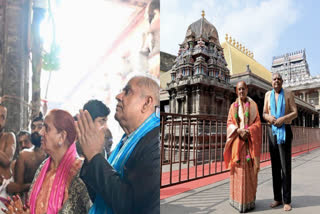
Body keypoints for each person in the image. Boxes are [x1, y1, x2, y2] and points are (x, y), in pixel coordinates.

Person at [76, 75, 160, 214]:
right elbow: (102, 195)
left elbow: (131, 206)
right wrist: (90, 157)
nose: (118, 96)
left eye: (127, 91)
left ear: (147, 103)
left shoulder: (155, 141)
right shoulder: (125, 141)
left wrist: (95, 157)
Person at [3, 109, 91, 213]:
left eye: (46, 128)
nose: (40, 132)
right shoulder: (44, 166)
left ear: (62, 137)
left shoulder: (80, 171)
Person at [223, 81, 262, 212]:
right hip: (237, 143)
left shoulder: (253, 105)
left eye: (243, 89)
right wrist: (238, 131)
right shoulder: (233, 106)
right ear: (236, 91)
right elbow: (229, 123)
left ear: (247, 90)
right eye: (239, 90)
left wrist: (249, 131)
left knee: (249, 171)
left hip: (249, 143)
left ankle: (249, 202)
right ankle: (236, 201)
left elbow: (258, 123)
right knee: (237, 171)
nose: (241, 92)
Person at [263, 73, 297, 211]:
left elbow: (295, 112)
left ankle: (287, 200)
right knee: (275, 167)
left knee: (285, 167)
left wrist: (283, 118)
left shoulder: (289, 94)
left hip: (285, 130)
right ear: (271, 82)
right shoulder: (267, 95)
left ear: (282, 82)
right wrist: (269, 118)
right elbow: (264, 113)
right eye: (274, 79)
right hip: (272, 132)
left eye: (278, 79)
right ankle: (277, 198)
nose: (276, 81)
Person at [6, 130, 47, 203]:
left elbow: (16, 187)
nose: (23, 145)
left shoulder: (46, 155)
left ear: (31, 141)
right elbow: (15, 190)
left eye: (26, 141)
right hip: (24, 203)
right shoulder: (14, 163)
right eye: (20, 143)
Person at [0, 104, 16, 211]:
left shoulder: (9, 136)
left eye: (3, 117)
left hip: (4, 191)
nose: (0, 120)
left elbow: (6, 160)